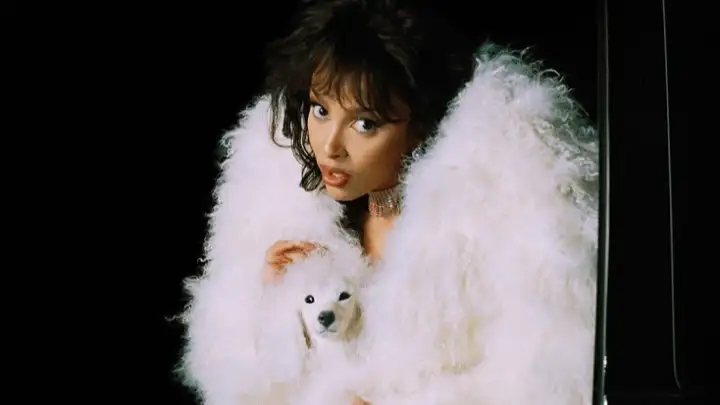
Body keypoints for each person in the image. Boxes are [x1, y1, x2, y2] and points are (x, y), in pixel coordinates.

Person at [179, 0, 599, 404]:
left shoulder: (472, 236)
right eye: (320, 110)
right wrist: (274, 297)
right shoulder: (301, 220)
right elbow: (252, 384)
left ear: (417, 129)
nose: (330, 146)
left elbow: (533, 380)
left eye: (365, 124)